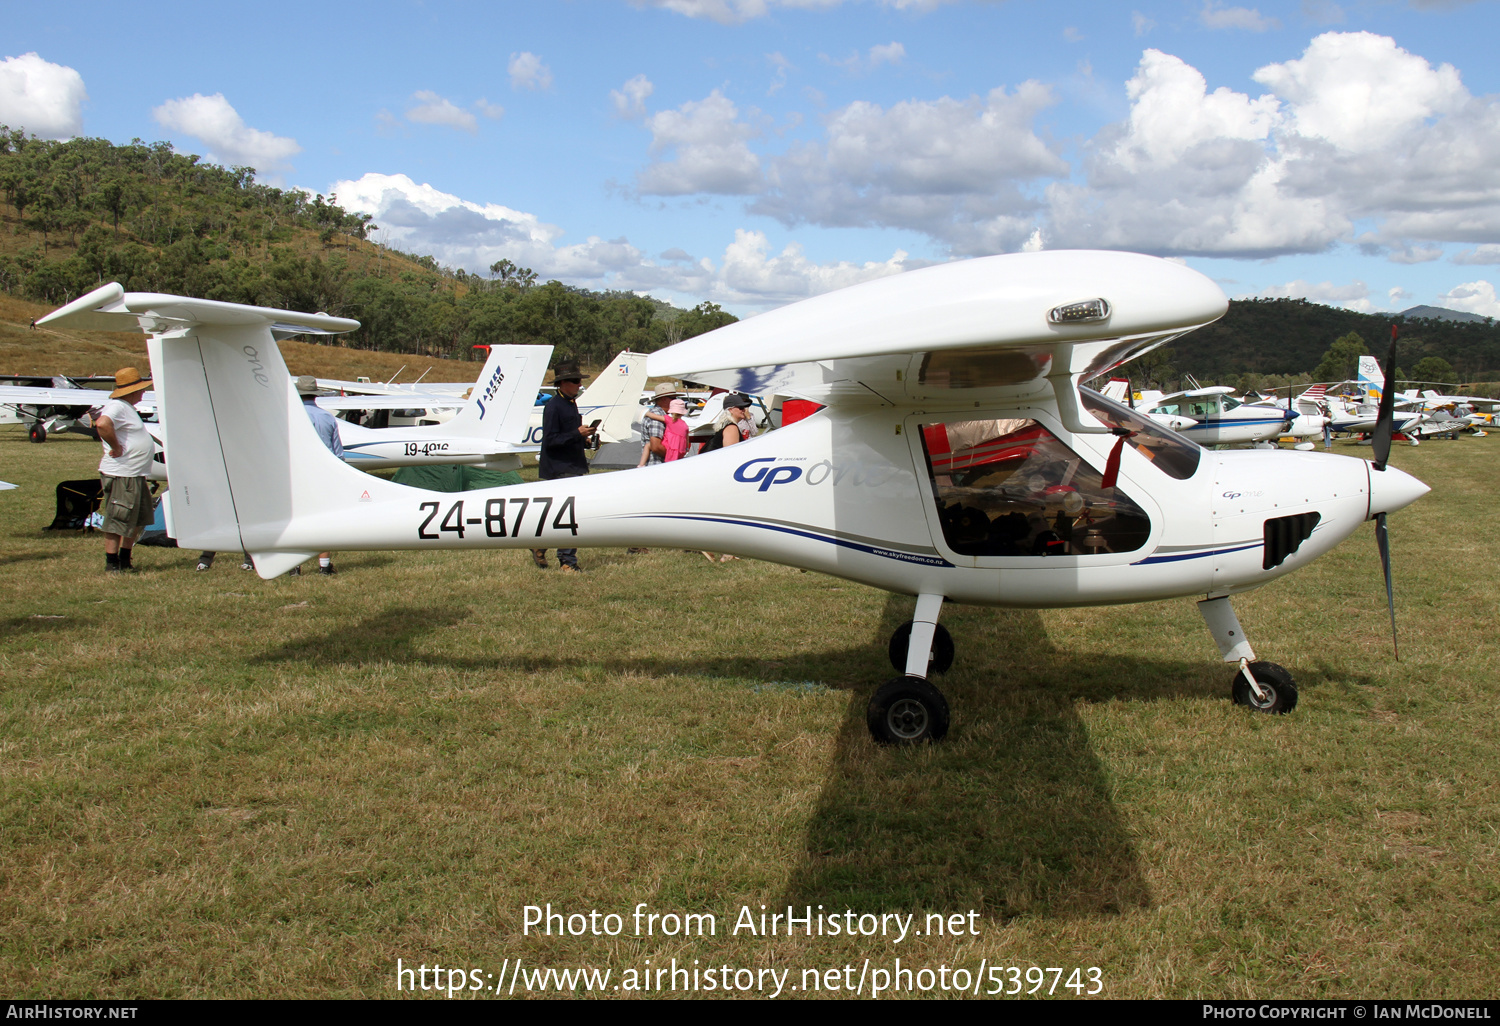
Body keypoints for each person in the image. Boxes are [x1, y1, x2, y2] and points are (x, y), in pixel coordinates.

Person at [532, 362, 594, 573]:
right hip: (560, 468)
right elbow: (550, 440)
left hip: (573, 464)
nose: (579, 385)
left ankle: (540, 545)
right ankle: (567, 561)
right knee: (570, 516)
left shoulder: (569, 403)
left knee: (561, 515)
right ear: (563, 383)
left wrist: (584, 440)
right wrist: (577, 434)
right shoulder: (554, 406)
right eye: (576, 381)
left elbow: (567, 436)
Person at [95, 367, 156, 573]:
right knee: (119, 517)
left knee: (137, 518)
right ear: (131, 391)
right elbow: (102, 424)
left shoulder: (126, 407)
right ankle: (111, 563)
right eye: (140, 389)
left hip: (135, 474)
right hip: (122, 474)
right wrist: (115, 447)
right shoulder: (117, 406)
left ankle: (124, 559)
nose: (143, 393)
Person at [291, 375, 343, 576]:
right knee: (323, 520)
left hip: (297, 474)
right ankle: (324, 566)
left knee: (296, 520)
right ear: (315, 395)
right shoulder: (328, 418)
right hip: (324, 475)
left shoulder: (290, 416)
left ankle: (294, 566)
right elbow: (338, 453)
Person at [637, 382, 683, 468]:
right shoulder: (657, 416)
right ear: (664, 399)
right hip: (657, 466)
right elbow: (656, 447)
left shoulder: (660, 415)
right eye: (673, 398)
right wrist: (675, 457)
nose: (676, 400)